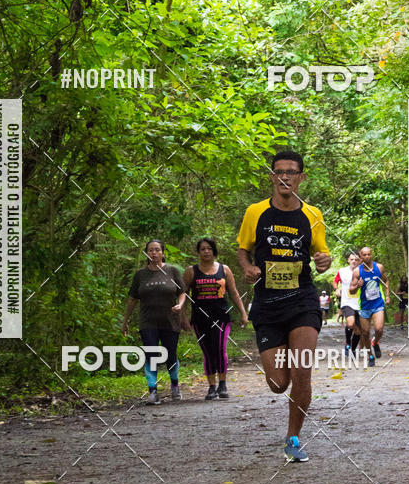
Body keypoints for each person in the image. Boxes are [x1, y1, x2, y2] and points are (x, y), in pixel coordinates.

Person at [237, 150, 331, 463]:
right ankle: (285, 373)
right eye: (279, 172)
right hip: (267, 304)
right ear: (272, 176)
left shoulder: (312, 214)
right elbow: (242, 251)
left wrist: (324, 261)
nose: (285, 177)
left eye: (291, 172)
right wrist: (248, 268)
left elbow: (322, 261)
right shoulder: (255, 212)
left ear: (301, 177)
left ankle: (293, 439)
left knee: (302, 373)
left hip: (302, 299)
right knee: (279, 383)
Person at [121, 239, 187, 404]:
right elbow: (132, 299)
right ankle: (153, 391)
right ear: (146, 253)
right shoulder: (140, 275)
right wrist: (125, 320)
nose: (154, 253)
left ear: (163, 253)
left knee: (170, 354)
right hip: (148, 321)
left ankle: (175, 385)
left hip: (170, 320)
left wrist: (179, 305)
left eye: (157, 250)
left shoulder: (172, 271)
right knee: (150, 355)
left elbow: (182, 292)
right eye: (151, 250)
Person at [183, 238, 248, 400]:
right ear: (198, 252)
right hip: (199, 318)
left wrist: (243, 313)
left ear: (214, 251)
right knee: (208, 351)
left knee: (220, 348)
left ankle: (223, 384)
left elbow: (233, 293)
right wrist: (182, 316)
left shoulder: (224, 270)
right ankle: (211, 387)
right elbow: (183, 295)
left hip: (221, 316)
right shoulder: (191, 271)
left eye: (209, 248)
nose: (206, 252)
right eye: (203, 249)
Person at [349, 246, 390, 367]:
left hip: (378, 304)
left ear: (371, 255)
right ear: (360, 257)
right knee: (365, 333)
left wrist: (387, 295)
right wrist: (358, 286)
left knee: (379, 329)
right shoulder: (357, 271)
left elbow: (386, 281)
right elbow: (351, 290)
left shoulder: (379, 267)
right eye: (364, 255)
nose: (367, 257)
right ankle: (370, 356)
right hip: (364, 306)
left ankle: (375, 341)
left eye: (369, 254)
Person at [333, 253, 361, 355]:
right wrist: (336, 289)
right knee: (350, 323)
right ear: (348, 260)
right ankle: (347, 342)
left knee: (359, 331)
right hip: (347, 302)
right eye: (352, 259)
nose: (354, 261)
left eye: (356, 259)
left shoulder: (363, 271)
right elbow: (335, 281)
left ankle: (353, 348)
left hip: (361, 303)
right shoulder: (342, 271)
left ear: (359, 261)